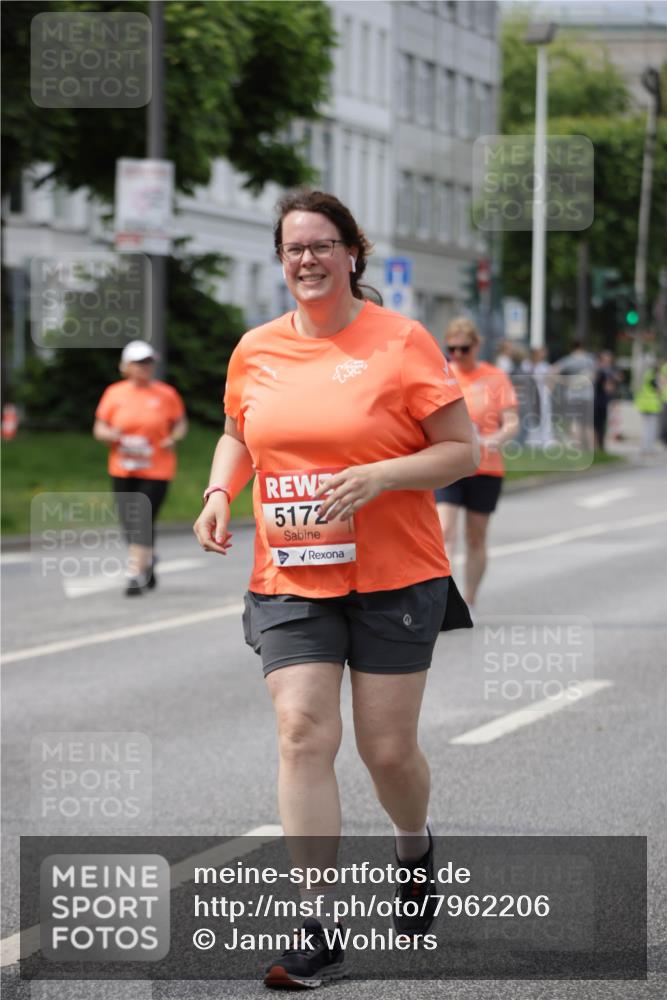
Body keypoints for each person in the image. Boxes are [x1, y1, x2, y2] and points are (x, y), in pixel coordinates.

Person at [193, 190, 478, 989]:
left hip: (395, 573)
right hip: (290, 574)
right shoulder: (256, 349)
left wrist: (377, 476)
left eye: (322, 246)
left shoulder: (401, 342)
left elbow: (460, 449)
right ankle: (315, 924)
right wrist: (219, 493)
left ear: (353, 252)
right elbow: (236, 433)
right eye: (293, 250)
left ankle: (414, 847)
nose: (307, 261)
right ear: (279, 260)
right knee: (301, 733)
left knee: (386, 752)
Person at [435, 317, 519, 616]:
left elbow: (511, 423)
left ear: (477, 346)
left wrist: (494, 439)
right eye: (451, 348)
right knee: (444, 530)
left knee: (475, 536)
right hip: (450, 465)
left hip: (486, 468)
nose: (457, 355)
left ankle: (469, 599)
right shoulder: (442, 375)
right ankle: (445, 600)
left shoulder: (495, 377)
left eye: (464, 349)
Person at [93, 340, 187, 595]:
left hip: (156, 468)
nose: (145, 367)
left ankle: (135, 573)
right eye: (139, 363)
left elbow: (180, 424)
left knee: (142, 518)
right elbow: (99, 428)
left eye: (149, 362)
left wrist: (173, 437)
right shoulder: (115, 393)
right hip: (123, 467)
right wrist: (110, 434)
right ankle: (149, 558)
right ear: (126, 366)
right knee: (128, 522)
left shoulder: (166, 394)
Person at [634, 360, 664, 454]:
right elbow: (658, 390)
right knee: (651, 428)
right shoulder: (654, 377)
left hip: (644, 405)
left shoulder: (647, 374)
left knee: (646, 427)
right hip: (651, 406)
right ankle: (648, 448)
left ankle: (645, 447)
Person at [593, 350, 619, 452]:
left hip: (603, 401)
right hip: (596, 400)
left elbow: (611, 386)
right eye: (605, 359)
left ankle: (600, 446)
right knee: (595, 425)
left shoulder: (609, 371)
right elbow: (608, 387)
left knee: (601, 424)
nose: (607, 362)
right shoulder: (599, 370)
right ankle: (595, 446)